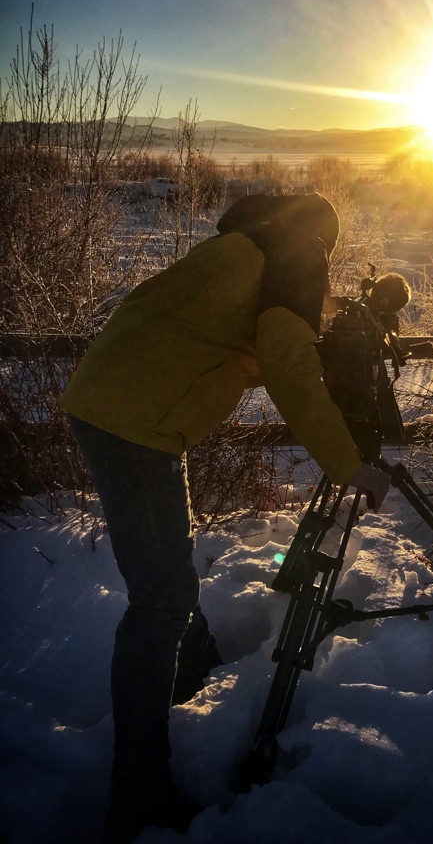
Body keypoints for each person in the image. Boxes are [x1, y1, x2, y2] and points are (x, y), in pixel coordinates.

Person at [60, 192, 391, 843]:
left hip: (128, 406)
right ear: (322, 236)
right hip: (135, 419)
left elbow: (249, 340)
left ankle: (194, 681)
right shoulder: (296, 255)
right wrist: (350, 462)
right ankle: (139, 799)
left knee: (169, 576)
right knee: (159, 602)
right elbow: (291, 365)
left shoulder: (243, 247)